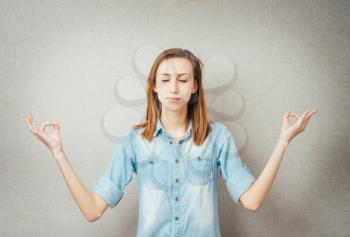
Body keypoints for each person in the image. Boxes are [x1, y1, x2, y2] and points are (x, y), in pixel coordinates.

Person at [26, 48, 318, 237]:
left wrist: (282, 142)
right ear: (154, 86)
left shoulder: (218, 137)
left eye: (182, 79)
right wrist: (58, 152)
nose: (173, 87)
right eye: (165, 79)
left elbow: (252, 201)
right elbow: (92, 210)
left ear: (194, 86)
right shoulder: (134, 142)